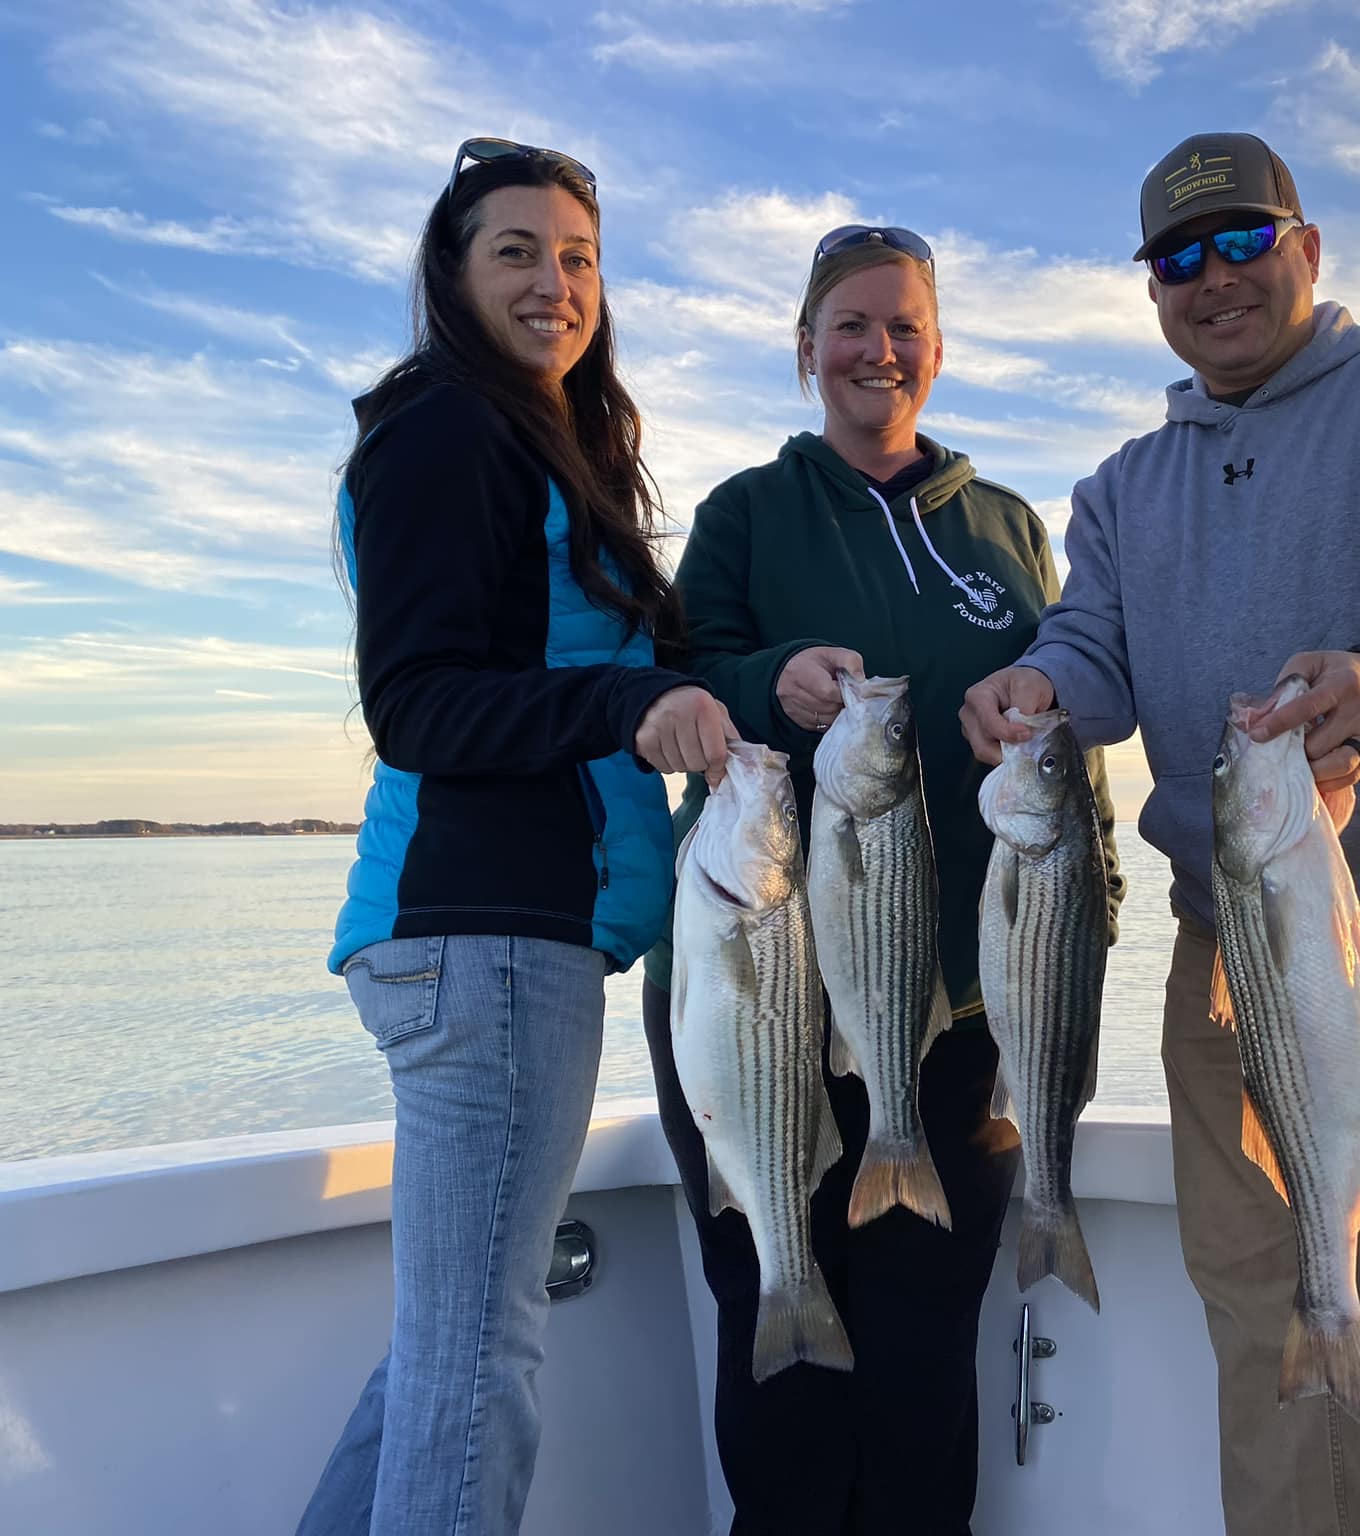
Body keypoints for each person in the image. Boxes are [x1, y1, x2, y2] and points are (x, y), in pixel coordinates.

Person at [962, 132, 1360, 1535]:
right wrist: (1041, 686)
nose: (1214, 279)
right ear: (1151, 294)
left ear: (1309, 247)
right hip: (1224, 956)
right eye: (1178, 260)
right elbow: (1093, 644)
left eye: (1244, 241)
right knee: (1266, 1319)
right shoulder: (1129, 483)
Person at [638, 223, 1121, 1536]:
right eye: (851, 324)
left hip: (950, 1008)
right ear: (805, 350)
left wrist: (1045, 720)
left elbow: (1067, 716)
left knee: (920, 1366)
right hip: (762, 997)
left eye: (904, 326)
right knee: (779, 1341)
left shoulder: (1009, 528)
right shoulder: (745, 512)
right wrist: (762, 679)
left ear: (939, 350)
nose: (879, 349)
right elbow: (679, 678)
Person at [299, 137, 731, 1535]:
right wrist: (628, 703)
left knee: (446, 1352)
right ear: (453, 272)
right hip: (481, 940)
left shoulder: (547, 443)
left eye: (580, 257)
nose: (558, 282)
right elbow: (417, 703)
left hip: (503, 943)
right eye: (518, 253)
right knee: (481, 1361)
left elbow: (602, 655)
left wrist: (729, 677)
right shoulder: (446, 429)